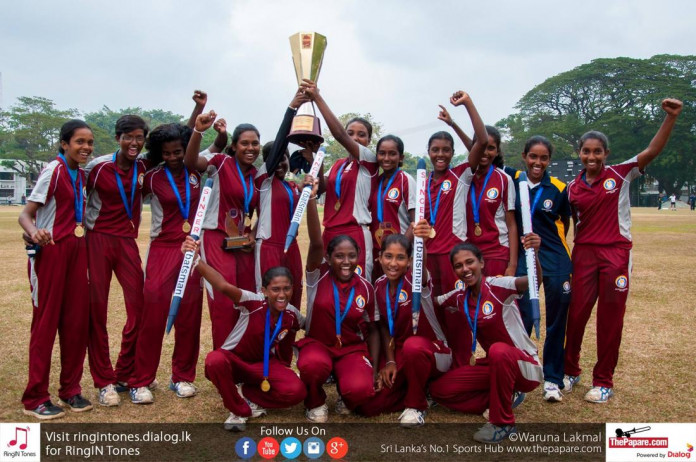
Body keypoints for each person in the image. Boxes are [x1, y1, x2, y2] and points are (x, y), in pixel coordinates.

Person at [563, 98, 683, 403]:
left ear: (606, 154)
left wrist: (670, 118)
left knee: (610, 319)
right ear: (580, 153)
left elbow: (652, 151)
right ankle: (570, 370)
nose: (591, 156)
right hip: (584, 255)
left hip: (615, 254)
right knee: (576, 316)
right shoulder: (572, 188)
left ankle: (603, 381)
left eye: (597, 151)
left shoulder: (620, 174)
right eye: (586, 151)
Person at [181, 237, 305, 432]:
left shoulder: (292, 314)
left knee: (296, 392)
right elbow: (222, 286)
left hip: (263, 366)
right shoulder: (252, 302)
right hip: (235, 363)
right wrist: (196, 260)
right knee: (214, 360)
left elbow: (311, 327)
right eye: (275, 289)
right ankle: (238, 410)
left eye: (286, 288)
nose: (281, 294)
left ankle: (246, 394)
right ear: (264, 291)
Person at [429, 238, 543, 444]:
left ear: (481, 263)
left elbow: (534, 282)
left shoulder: (499, 286)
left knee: (499, 350)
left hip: (525, 366)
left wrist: (534, 254)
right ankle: (503, 397)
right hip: (495, 365)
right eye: (458, 266)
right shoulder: (459, 296)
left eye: (469, 262)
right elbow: (434, 301)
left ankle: (502, 423)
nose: (465, 269)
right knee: (439, 391)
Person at [18, 120, 93, 419]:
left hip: (77, 253)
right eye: (79, 142)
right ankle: (35, 398)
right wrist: (34, 231)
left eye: (89, 143)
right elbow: (25, 214)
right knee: (46, 324)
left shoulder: (81, 175)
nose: (86, 147)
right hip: (50, 253)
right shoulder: (54, 170)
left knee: (75, 325)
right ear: (64, 144)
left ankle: (70, 390)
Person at [128, 122, 204, 404]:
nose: (173, 157)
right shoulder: (151, 176)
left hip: (193, 247)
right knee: (154, 312)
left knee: (189, 314)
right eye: (167, 152)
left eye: (178, 151)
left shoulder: (196, 171)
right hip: (163, 247)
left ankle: (182, 377)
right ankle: (141, 380)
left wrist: (201, 126)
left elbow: (209, 144)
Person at [296, 175, 379, 422]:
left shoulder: (365, 287)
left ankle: (346, 391)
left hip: (351, 349)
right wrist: (311, 199)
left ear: (358, 257)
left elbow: (373, 329)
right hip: (318, 345)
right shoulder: (317, 277)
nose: (345, 262)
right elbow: (315, 243)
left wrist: (372, 366)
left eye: (351, 256)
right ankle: (315, 401)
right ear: (329, 258)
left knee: (361, 392)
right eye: (339, 256)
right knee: (312, 366)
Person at [356, 225, 452, 428]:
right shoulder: (378, 286)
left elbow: (421, 267)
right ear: (380, 257)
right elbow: (383, 328)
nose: (393, 263)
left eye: (400, 258)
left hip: (432, 351)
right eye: (388, 256)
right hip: (399, 353)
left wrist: (422, 243)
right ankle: (420, 390)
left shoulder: (416, 281)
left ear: (409, 261)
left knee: (413, 346)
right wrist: (390, 362)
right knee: (369, 406)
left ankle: (416, 406)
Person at [84, 114, 150, 407]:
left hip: (126, 242)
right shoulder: (97, 167)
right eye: (128, 137)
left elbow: (183, 143)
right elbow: (73, 192)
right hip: (96, 240)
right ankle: (104, 381)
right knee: (96, 311)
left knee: (140, 307)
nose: (134, 143)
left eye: (139, 138)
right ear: (118, 138)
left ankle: (127, 373)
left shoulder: (144, 167)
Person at [503, 136, 572, 403]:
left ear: (549, 160)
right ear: (524, 156)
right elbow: (486, 148)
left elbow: (564, 222)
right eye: (533, 156)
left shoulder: (558, 188)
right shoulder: (514, 178)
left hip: (555, 258)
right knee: (521, 319)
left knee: (556, 319)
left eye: (543, 158)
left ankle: (553, 379)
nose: (538, 162)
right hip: (524, 257)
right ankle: (521, 377)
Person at [184, 111, 261, 349]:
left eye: (255, 143)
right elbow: (190, 162)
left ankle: (242, 356)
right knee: (224, 304)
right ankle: (223, 361)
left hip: (243, 243)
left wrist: (252, 232)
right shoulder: (220, 163)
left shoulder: (255, 175)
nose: (251, 148)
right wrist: (198, 131)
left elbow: (260, 209)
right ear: (234, 146)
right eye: (245, 143)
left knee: (247, 298)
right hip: (216, 237)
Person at [426, 91, 486, 369]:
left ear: (452, 153)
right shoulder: (421, 182)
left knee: (457, 311)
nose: (440, 154)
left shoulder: (460, 175)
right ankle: (440, 365)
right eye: (435, 150)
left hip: (452, 257)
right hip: (427, 259)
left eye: (445, 150)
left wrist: (467, 106)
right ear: (429, 153)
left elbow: (482, 141)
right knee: (433, 313)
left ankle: (462, 365)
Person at [301, 79, 378, 281]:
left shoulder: (369, 161)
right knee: (329, 285)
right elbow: (324, 186)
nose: (354, 138)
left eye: (361, 135)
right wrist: (316, 161)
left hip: (354, 232)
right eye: (351, 132)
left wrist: (317, 97)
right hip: (330, 232)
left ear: (368, 141)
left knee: (357, 287)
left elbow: (340, 135)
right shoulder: (340, 164)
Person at [255, 89, 314, 309]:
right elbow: (281, 142)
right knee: (269, 299)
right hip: (269, 247)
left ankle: (287, 341)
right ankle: (267, 342)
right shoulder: (264, 181)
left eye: (284, 159)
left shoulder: (292, 186)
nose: (280, 164)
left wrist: (313, 156)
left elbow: (311, 177)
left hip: (292, 248)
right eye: (276, 160)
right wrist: (291, 109)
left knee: (294, 294)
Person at [369, 134, 415, 282]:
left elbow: (416, 221)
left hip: (398, 254)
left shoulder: (405, 180)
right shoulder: (375, 181)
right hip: (378, 253)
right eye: (382, 153)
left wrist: (401, 249)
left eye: (392, 153)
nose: (386, 158)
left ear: (401, 157)